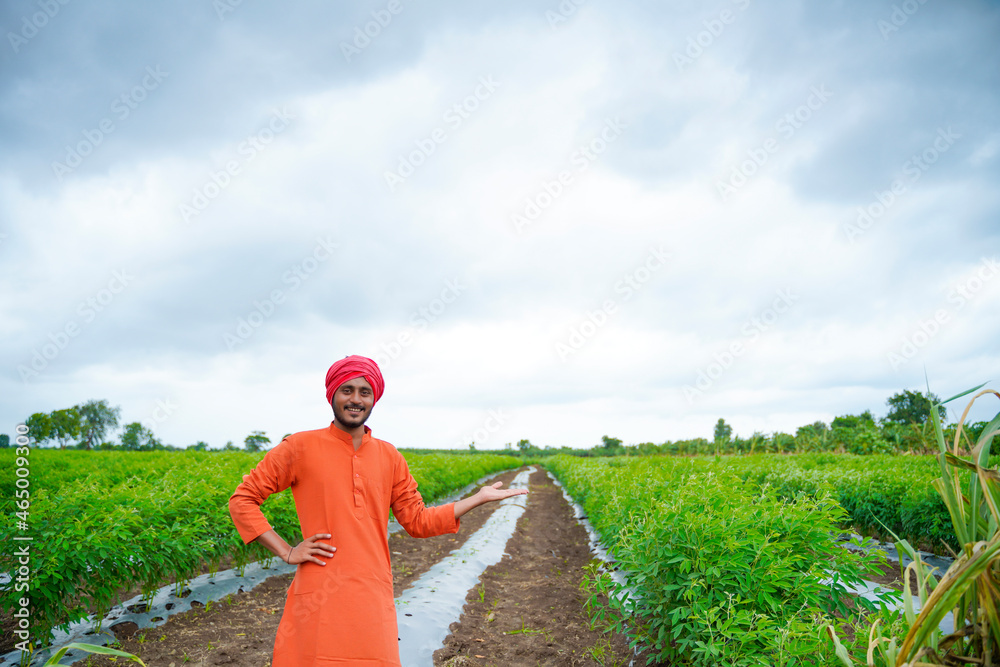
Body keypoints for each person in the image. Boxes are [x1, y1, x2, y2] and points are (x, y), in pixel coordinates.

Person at [228, 355, 526, 665]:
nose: (355, 399)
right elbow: (243, 499)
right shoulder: (299, 447)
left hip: (372, 595)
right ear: (332, 394)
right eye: (347, 390)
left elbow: (418, 521)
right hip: (318, 597)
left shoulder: (389, 456)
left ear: (374, 399)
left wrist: (477, 498)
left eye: (364, 392)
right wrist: (287, 552)